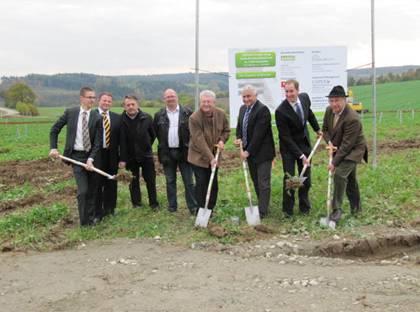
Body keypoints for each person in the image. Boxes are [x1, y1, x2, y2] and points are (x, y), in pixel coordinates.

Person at [49, 87, 102, 226]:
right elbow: (54, 130)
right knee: (83, 191)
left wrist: (91, 159)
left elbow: (98, 142)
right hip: (76, 157)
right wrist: (53, 147)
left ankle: (90, 220)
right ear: (82, 98)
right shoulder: (71, 113)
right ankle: (84, 223)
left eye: (93, 97)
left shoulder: (97, 117)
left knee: (91, 190)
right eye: (89, 97)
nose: (92, 100)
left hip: (91, 157)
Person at [275, 79, 322, 217]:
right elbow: (285, 137)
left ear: (297, 90)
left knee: (306, 178)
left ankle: (304, 207)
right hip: (289, 148)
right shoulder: (281, 111)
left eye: (291, 91)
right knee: (290, 179)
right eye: (286, 92)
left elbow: (310, 114)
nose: (289, 94)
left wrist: (317, 129)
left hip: (304, 143)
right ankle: (288, 210)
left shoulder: (305, 98)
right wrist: (301, 156)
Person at [322, 85, 368, 223]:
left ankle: (336, 210)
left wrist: (334, 163)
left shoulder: (352, 118)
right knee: (351, 180)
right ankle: (357, 208)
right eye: (331, 101)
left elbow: (347, 145)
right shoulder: (329, 111)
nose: (334, 104)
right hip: (338, 147)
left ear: (344, 100)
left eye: (337, 100)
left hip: (353, 150)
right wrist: (329, 142)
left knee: (340, 174)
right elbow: (325, 130)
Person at [153, 89, 197, 214]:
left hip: (185, 152)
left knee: (189, 181)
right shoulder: (159, 115)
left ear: (177, 97)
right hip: (167, 153)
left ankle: (193, 207)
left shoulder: (187, 113)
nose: (170, 98)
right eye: (167, 97)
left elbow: (194, 132)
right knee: (170, 181)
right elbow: (156, 133)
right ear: (164, 99)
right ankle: (172, 207)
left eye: (172, 96)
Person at [234, 85, 275, 218]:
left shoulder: (262, 110)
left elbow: (259, 135)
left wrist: (248, 152)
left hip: (263, 152)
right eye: (244, 96)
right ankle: (261, 203)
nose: (246, 99)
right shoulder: (242, 109)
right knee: (255, 180)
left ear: (255, 96)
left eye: (249, 96)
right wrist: (238, 138)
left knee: (263, 182)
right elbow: (240, 126)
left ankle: (263, 211)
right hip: (249, 152)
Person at [188, 90, 230, 211]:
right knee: (202, 183)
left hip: (215, 156)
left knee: (213, 184)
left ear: (214, 102)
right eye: (203, 101)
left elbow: (226, 130)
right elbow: (198, 140)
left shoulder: (221, 114)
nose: (206, 104)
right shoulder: (194, 118)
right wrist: (211, 158)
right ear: (200, 102)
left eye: (209, 101)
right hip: (198, 157)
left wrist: (222, 140)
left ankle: (210, 208)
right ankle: (201, 209)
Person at [119, 95, 159, 209]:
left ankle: (154, 203)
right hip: (130, 156)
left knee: (150, 180)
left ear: (137, 105)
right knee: (133, 180)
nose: (131, 107)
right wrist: (123, 157)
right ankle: (136, 203)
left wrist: (146, 146)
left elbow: (153, 135)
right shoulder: (120, 120)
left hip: (146, 155)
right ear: (124, 106)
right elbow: (120, 140)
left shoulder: (147, 118)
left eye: (133, 104)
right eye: (128, 105)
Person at [93, 92, 120, 220]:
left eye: (109, 101)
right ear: (99, 101)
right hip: (97, 155)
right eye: (104, 100)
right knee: (97, 183)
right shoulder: (92, 115)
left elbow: (122, 139)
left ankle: (110, 208)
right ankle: (98, 212)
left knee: (112, 182)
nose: (106, 103)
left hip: (112, 155)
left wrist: (122, 157)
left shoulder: (116, 118)